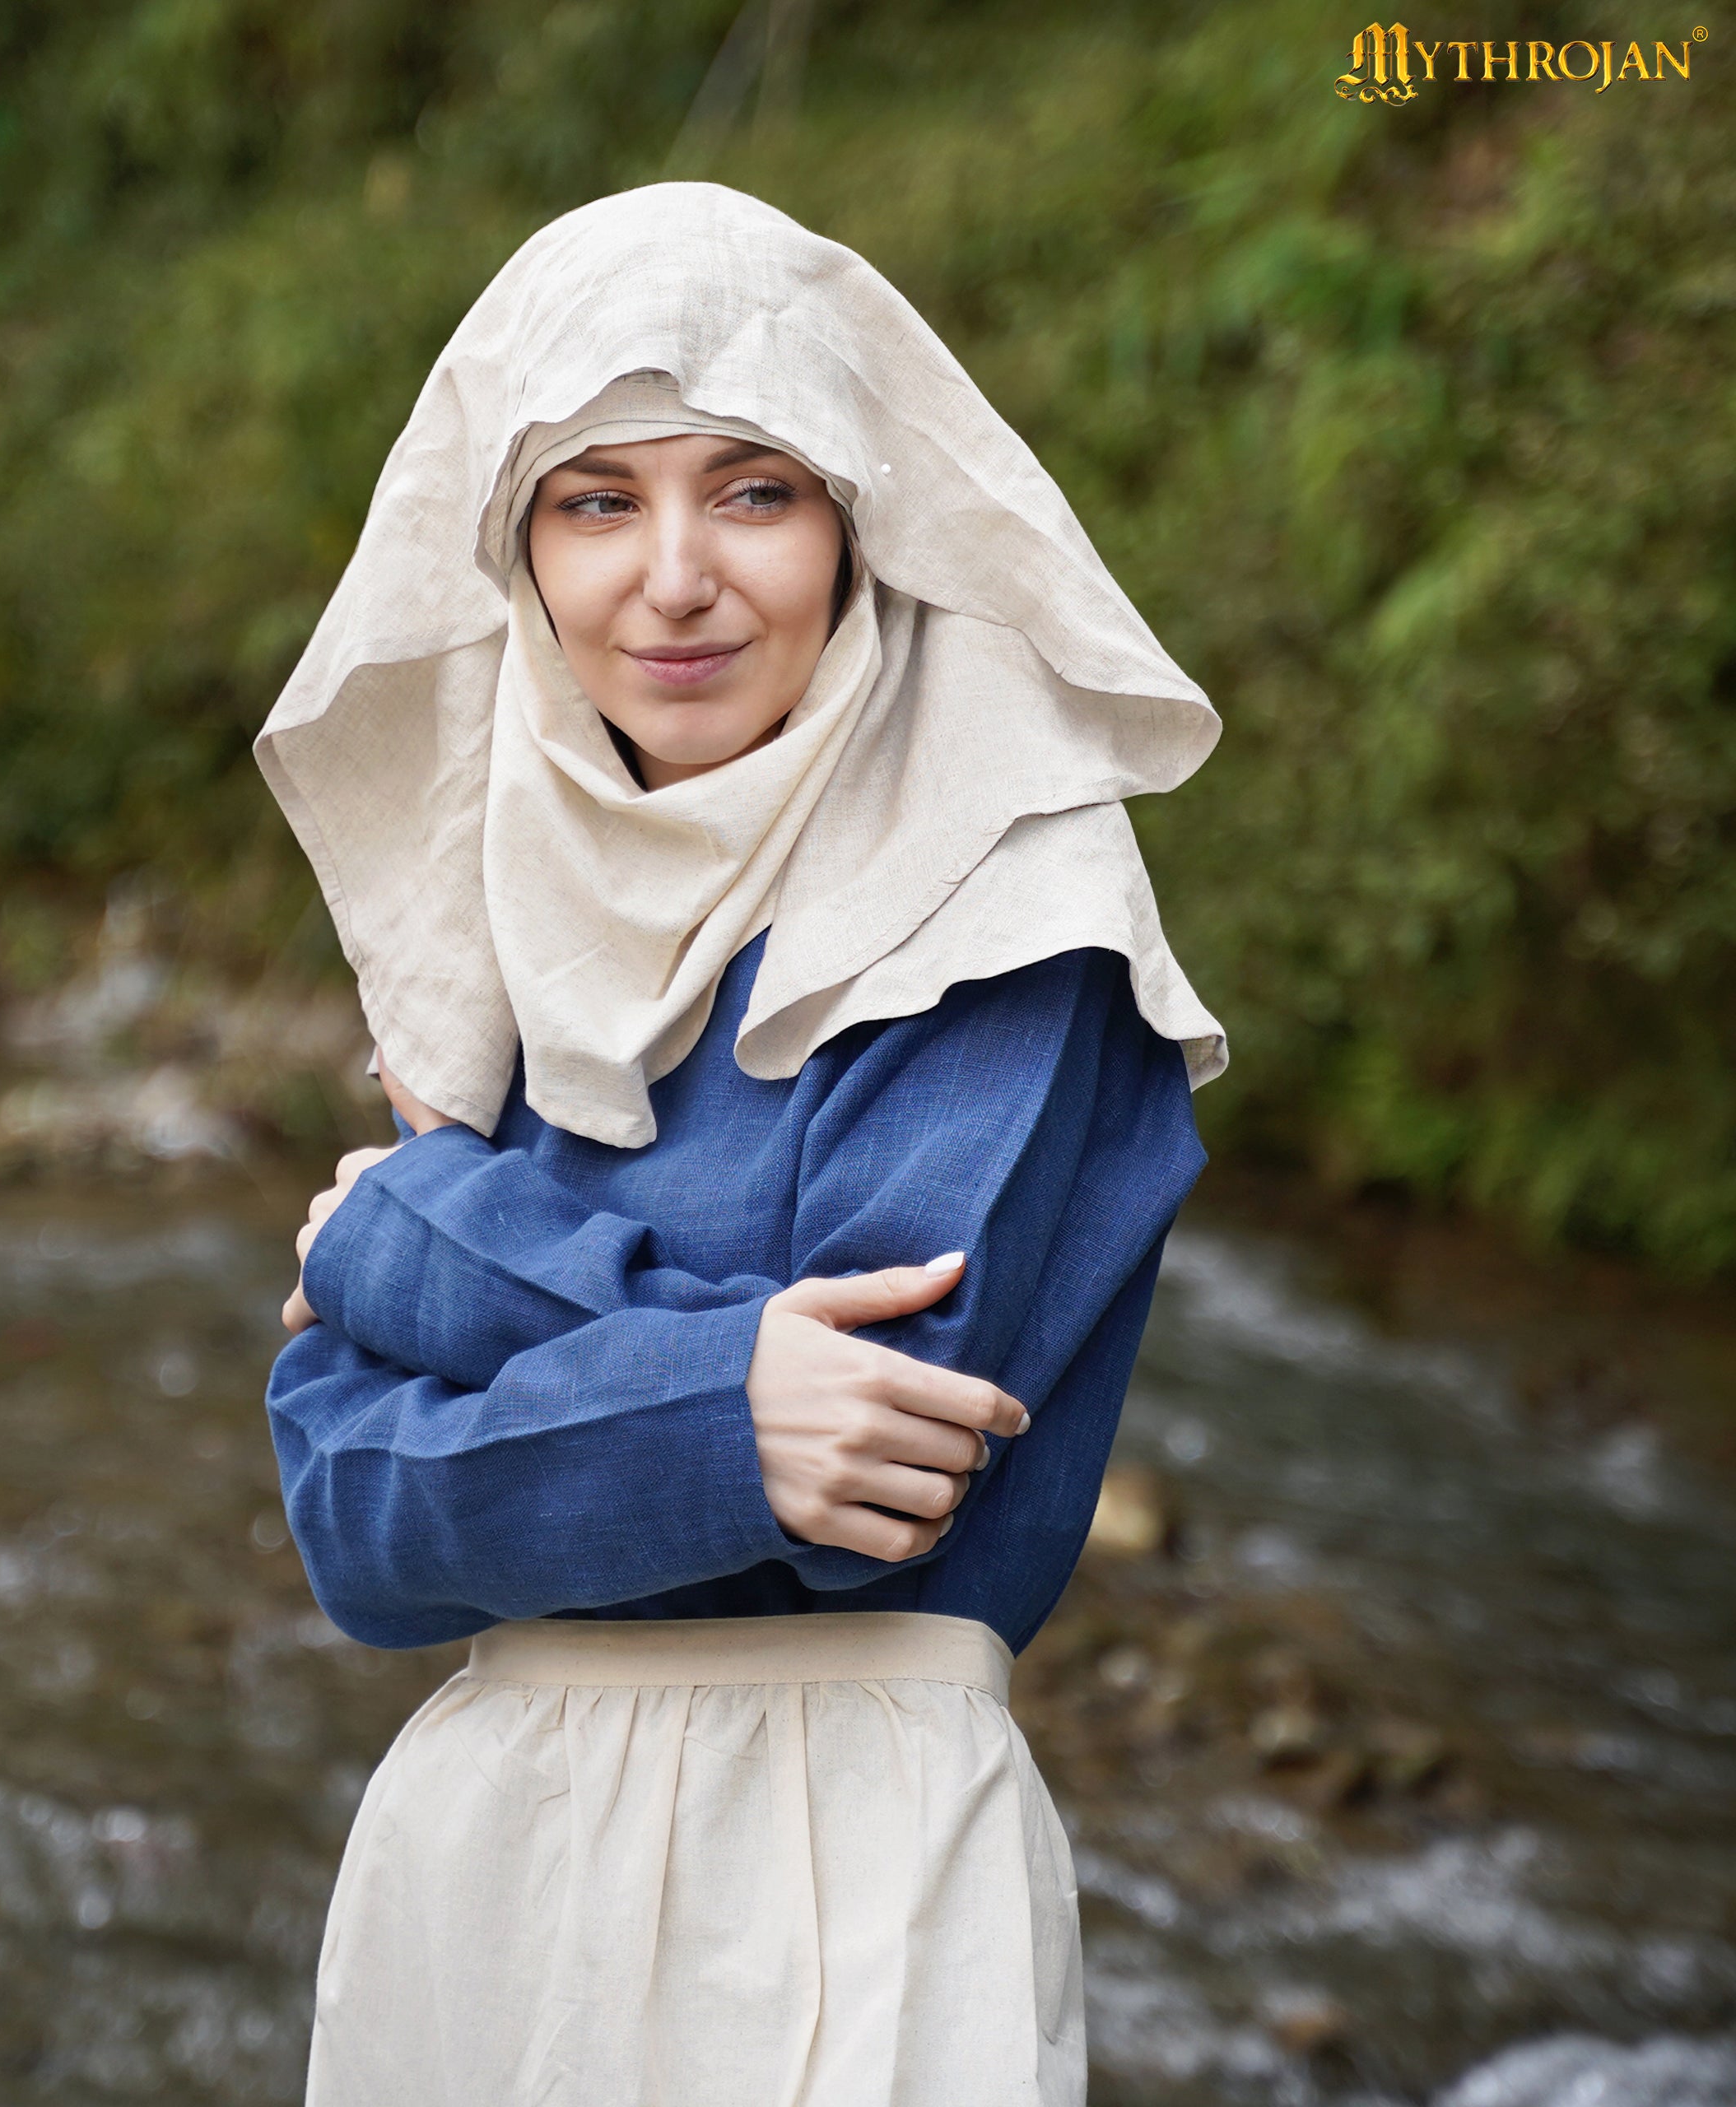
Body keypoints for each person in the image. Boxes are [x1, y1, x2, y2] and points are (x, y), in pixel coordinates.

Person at [254, 182, 1224, 2107]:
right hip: (482, 1849)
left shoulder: (1001, 899)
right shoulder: (492, 915)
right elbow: (348, 1520)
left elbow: (883, 1456)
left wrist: (404, 1239)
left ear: (858, 516)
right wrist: (722, 1396)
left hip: (844, 1853)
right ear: (518, 550)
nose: (672, 576)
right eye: (595, 500)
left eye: (753, 489)